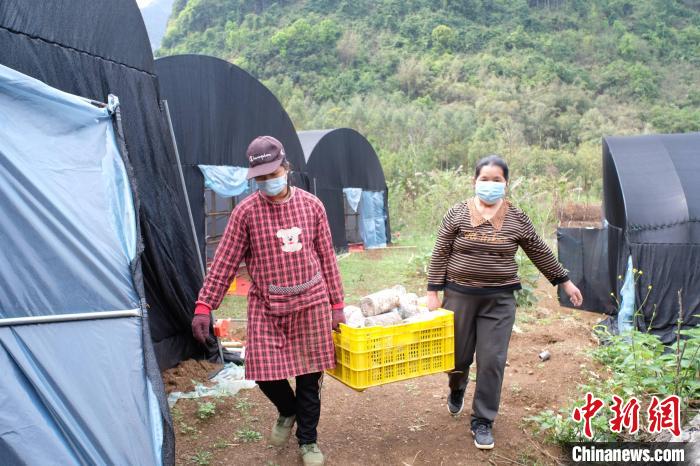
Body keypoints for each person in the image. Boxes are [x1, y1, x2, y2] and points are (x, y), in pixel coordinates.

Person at [191, 136, 345, 466]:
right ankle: (286, 411)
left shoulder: (312, 206)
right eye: (260, 177)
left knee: (309, 377)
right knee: (263, 371)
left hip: (312, 301)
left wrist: (336, 304)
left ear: (286, 168)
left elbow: (327, 257)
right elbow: (225, 260)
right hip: (268, 304)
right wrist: (205, 305)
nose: (267, 182)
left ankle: (308, 441)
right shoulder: (246, 212)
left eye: (272, 174)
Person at [426, 155, 583, 450]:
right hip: (459, 297)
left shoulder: (516, 218)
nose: (490, 184)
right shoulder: (457, 213)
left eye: (496, 180)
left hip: (498, 301)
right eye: (484, 179)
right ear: (474, 181)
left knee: (492, 361)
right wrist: (433, 292)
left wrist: (564, 280)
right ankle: (457, 387)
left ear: (505, 184)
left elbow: (539, 249)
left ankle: (482, 421)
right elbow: (440, 251)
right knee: (458, 359)